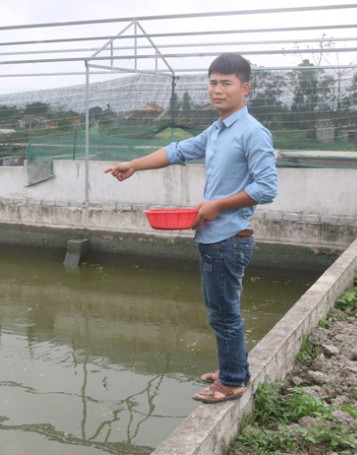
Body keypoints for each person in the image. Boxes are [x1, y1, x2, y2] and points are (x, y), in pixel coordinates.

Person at [104, 53, 278, 404]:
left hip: (229, 237)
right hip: (215, 236)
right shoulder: (217, 130)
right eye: (213, 82)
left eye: (226, 83)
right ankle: (234, 367)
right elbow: (177, 150)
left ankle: (231, 382)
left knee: (224, 312)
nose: (217, 89)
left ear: (244, 88)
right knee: (221, 309)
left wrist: (216, 205)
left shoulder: (252, 133)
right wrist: (134, 165)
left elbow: (266, 187)